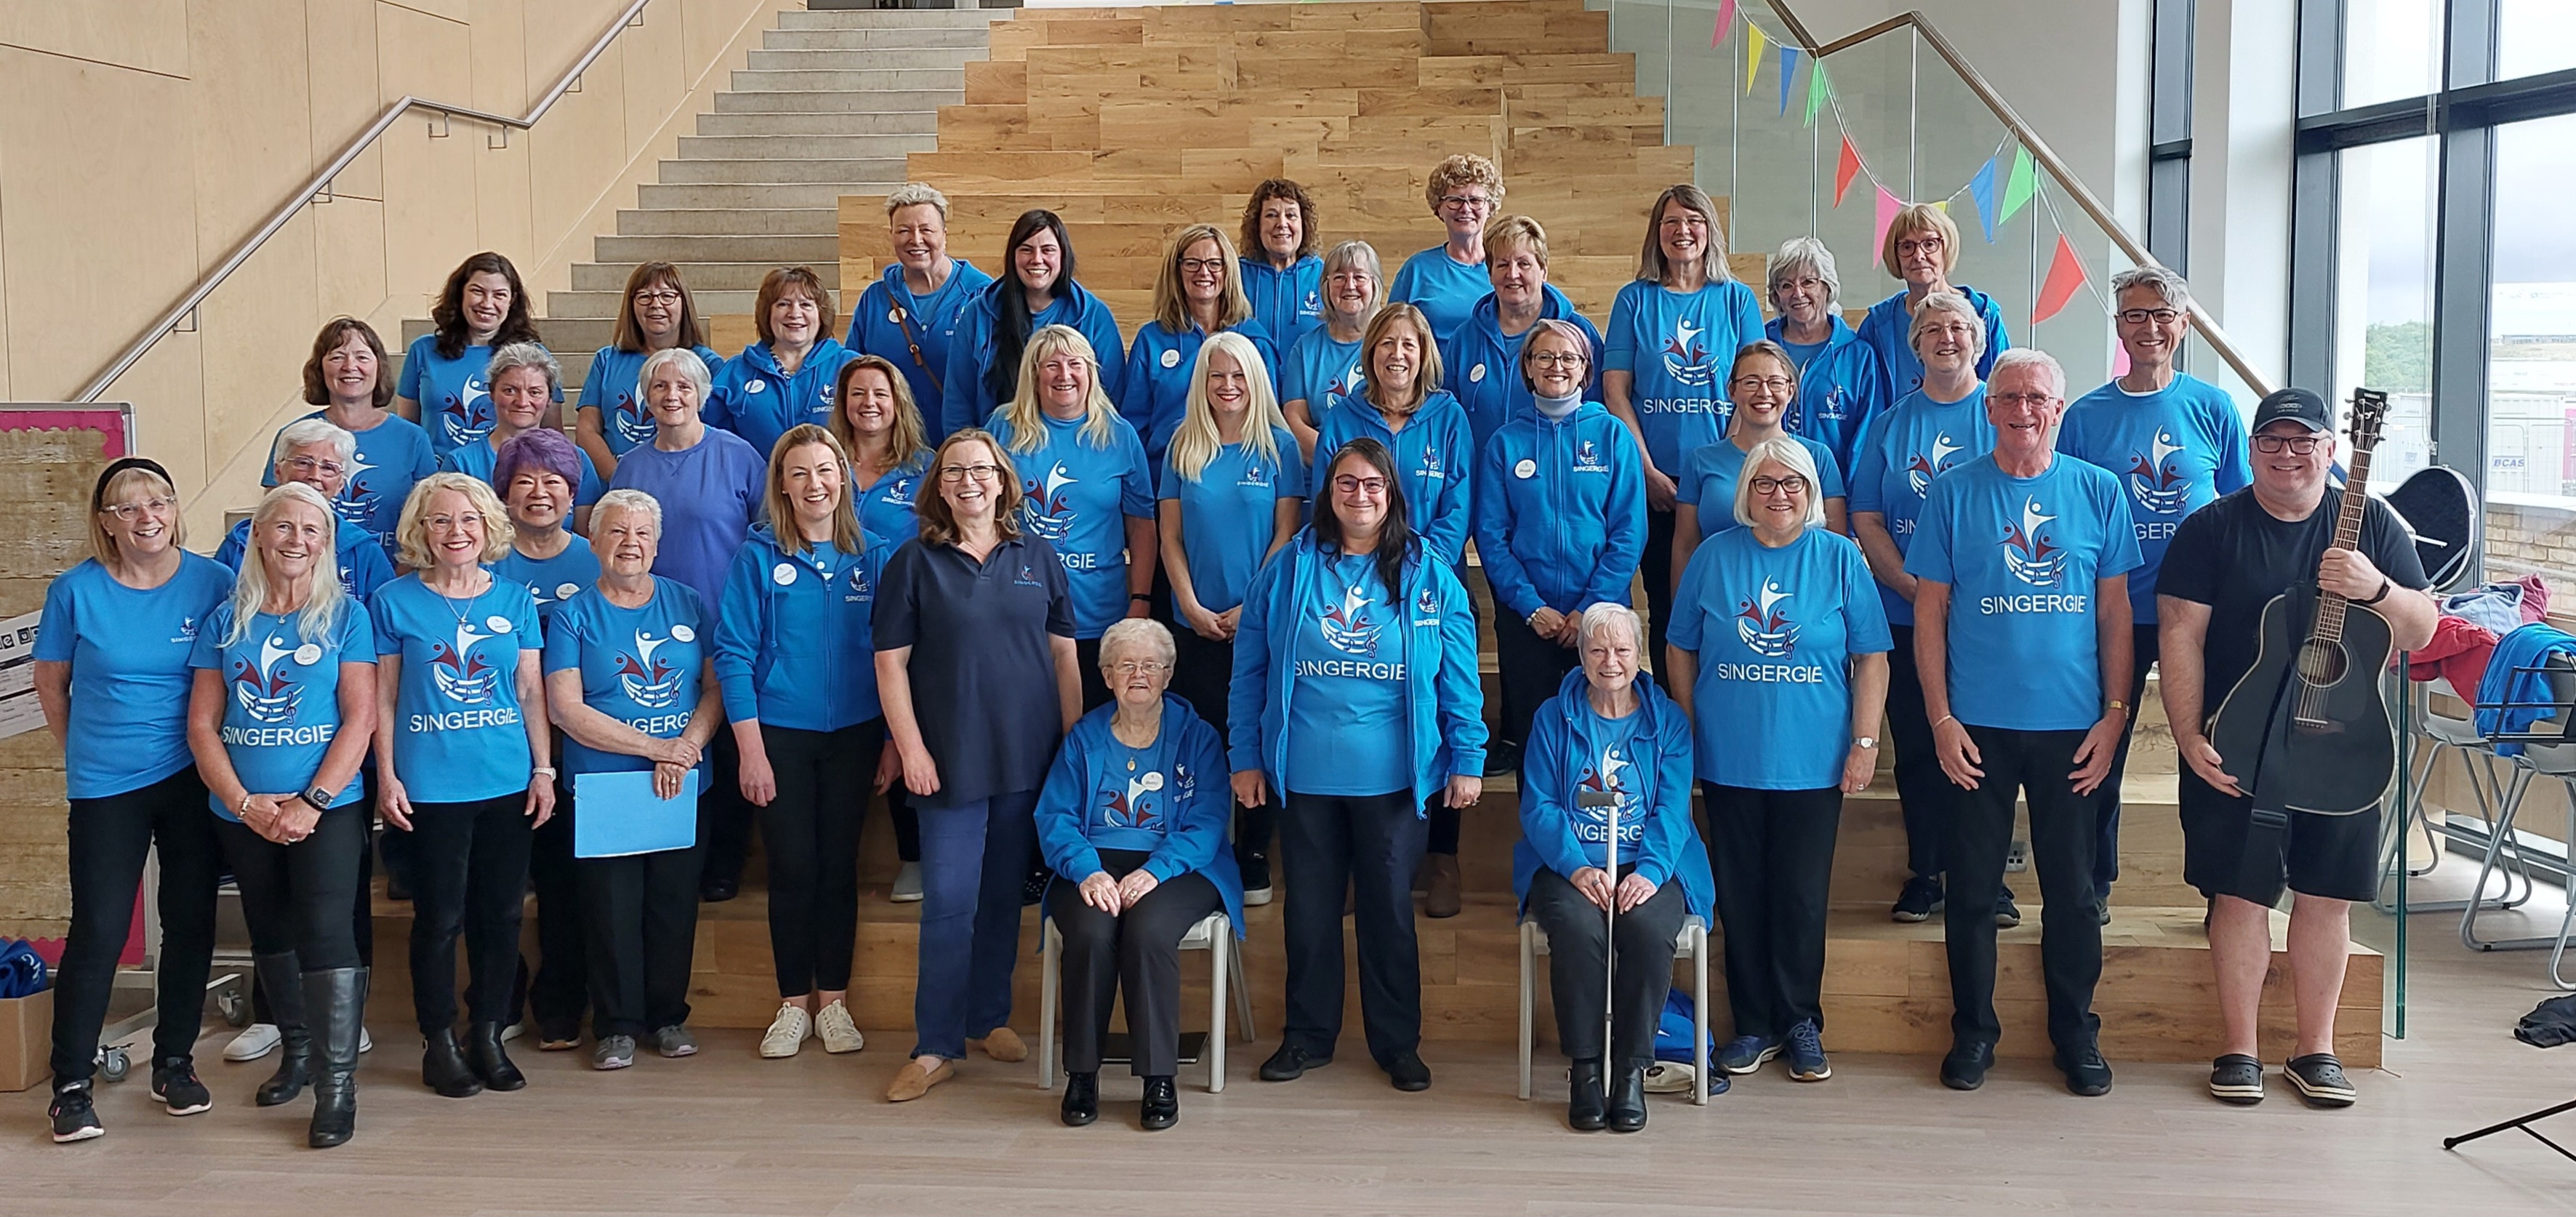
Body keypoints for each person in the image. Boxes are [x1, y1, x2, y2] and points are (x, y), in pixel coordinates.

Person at [2156, 387, 2433, 1109]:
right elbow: (2180, 635)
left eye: (2303, 441)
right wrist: (2186, 735)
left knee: (2326, 900)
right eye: (2272, 442)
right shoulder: (2211, 529)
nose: (2288, 455)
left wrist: (2378, 590)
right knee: (2239, 897)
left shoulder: (2373, 523)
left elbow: (2423, 628)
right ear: (2251, 451)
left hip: (2346, 746)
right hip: (2239, 743)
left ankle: (2317, 1051)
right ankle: (2239, 1050)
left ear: (2332, 450)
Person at [1906, 349, 2140, 1097]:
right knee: (1971, 891)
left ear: (2058, 410)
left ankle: (2076, 1034)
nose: (2023, 410)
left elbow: (2114, 612)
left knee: (2072, 894)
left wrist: (2115, 715)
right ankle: (1973, 1033)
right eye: (2008, 397)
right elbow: (1930, 612)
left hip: (2074, 729)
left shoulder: (2100, 492)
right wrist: (1939, 718)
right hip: (1976, 729)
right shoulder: (1951, 494)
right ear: (1990, 408)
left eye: (2038, 397)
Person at [1229, 438, 1486, 1093]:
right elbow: (1250, 669)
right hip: (1306, 773)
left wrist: (1467, 756)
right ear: (1328, 492)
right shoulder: (1289, 568)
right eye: (1347, 484)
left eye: (1373, 485)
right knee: (1308, 913)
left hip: (1394, 779)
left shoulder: (1428, 570)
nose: (1360, 496)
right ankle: (1307, 1037)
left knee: (1388, 914)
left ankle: (1397, 1044)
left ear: (1393, 494)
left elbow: (1459, 677)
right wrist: (1246, 755)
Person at [1666, 436, 1890, 1087]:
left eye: (1792, 483)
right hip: (1729, 757)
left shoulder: (1841, 559)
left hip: (1813, 759)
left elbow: (1872, 656)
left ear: (1811, 492)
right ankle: (1754, 1025)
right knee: (1739, 893)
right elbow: (1679, 646)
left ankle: (1800, 1022)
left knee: (1798, 895)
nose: (1779, 495)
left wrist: (1865, 741)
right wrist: (1686, 722)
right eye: (1764, 484)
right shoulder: (1713, 557)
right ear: (1745, 495)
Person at [875, 430, 1083, 1102]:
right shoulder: (913, 561)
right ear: (940, 485)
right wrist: (910, 748)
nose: (969, 481)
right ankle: (935, 1044)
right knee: (947, 906)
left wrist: (1074, 749)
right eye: (955, 471)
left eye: (982, 470)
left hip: (1027, 760)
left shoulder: (1038, 556)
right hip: (948, 762)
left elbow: (1064, 658)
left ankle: (986, 1018)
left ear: (1002, 481)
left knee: (1002, 899)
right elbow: (890, 665)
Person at [37, 459, 230, 1144]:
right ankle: (70, 1086)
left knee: (189, 921)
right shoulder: (75, 592)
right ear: (105, 522)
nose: (147, 517)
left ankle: (174, 1064)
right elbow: (53, 686)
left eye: (159, 502)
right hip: (104, 785)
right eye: (128, 508)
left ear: (176, 510)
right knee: (96, 932)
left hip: (189, 777)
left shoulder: (215, 582)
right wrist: (90, 750)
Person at [185, 483, 377, 1148]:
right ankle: (296, 1052)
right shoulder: (225, 621)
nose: (297, 540)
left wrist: (311, 802)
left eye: (312, 530)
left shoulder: (346, 616)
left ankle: (336, 1084)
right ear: (259, 536)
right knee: (269, 928)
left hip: (326, 809)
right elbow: (204, 725)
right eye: (284, 528)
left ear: (326, 543)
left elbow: (360, 718)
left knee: (326, 930)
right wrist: (243, 802)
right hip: (242, 810)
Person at [2056, 267, 2252, 920]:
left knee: (2211, 748)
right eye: (2134, 315)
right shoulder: (2083, 417)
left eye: (2161, 314)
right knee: (2099, 750)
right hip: (2115, 612)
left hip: (2201, 615)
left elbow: (2238, 506)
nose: (2149, 327)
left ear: (2183, 326)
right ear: (2118, 327)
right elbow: (2068, 513)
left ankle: (2219, 887)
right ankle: (2093, 880)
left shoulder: (2213, 407)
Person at [371, 473, 552, 1100]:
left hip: (505, 782)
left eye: (469, 520)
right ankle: (439, 1040)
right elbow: (384, 698)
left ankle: (489, 1033)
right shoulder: (393, 602)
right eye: (442, 520)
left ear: (488, 528)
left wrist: (544, 769)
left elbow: (531, 692)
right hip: (430, 786)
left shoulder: (515, 601)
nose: (456, 532)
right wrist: (387, 775)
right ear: (421, 529)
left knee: (500, 917)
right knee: (439, 918)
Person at [712, 425, 887, 1061]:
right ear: (781, 486)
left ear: (842, 478)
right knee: (792, 869)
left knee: (838, 868)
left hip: (855, 734)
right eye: (800, 474)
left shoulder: (876, 555)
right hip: (778, 735)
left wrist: (892, 742)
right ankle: (791, 1005)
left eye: (825, 471)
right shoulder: (756, 557)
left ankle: (833, 1002)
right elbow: (732, 655)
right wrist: (751, 751)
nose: (814, 485)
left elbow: (896, 658)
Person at [1037, 619, 1245, 1131]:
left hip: (1180, 865)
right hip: (1092, 863)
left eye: (1150, 665)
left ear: (1168, 674)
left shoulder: (1197, 736)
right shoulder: (1084, 736)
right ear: (1106, 675)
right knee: (1088, 930)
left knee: (1150, 929)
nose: (1138, 674)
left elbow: (1207, 820)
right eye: (1125, 665)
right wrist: (1087, 871)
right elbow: (1055, 817)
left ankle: (1158, 1078)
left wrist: (1156, 871)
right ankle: (1082, 1074)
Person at [544, 489, 724, 1071]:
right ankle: (617, 1025)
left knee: (673, 905)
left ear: (658, 542)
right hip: (604, 787)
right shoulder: (573, 613)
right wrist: (658, 749)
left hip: (682, 783)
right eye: (617, 532)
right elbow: (566, 709)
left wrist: (688, 748)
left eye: (642, 533)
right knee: (610, 909)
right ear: (593, 542)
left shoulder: (688, 603)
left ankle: (668, 1017)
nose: (630, 544)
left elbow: (715, 688)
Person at [1514, 604, 1710, 1133]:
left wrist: (1648, 872)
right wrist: (1577, 869)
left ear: (1637, 654)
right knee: (1578, 928)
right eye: (1598, 649)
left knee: (1646, 928)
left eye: (1622, 649)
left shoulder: (1665, 720)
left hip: (1650, 862)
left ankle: (1628, 1071)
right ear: (1581, 655)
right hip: (1569, 862)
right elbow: (1538, 806)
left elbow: (1672, 809)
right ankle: (1584, 1071)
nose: (1611, 661)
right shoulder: (1553, 718)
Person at [1846, 291, 2002, 925]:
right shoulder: (1889, 422)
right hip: (1906, 612)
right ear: (1914, 347)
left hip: (1990, 617)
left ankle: (1985, 878)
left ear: (1979, 339)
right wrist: (1917, 589)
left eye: (1958, 327)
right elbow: (1865, 516)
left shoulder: (2002, 413)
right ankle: (1927, 872)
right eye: (1931, 329)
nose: (1946, 337)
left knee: (1986, 747)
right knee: (1916, 747)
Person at [603, 346, 767, 903]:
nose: (671, 397)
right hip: (652, 629)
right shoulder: (631, 465)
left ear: (702, 394)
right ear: (644, 399)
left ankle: (722, 863)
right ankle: (664, 850)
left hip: (727, 623)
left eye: (683, 387)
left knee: (724, 744)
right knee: (666, 736)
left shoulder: (738, 455)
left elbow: (767, 535)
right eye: (659, 388)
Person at [1158, 332, 1303, 907]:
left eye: (1238, 375)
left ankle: (1253, 852)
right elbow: (1168, 537)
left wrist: (1253, 604)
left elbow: (1286, 532)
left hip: (1259, 621)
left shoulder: (1279, 447)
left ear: (1255, 380)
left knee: (1254, 736)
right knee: (1200, 738)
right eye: (1217, 376)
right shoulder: (1181, 445)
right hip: (1194, 623)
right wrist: (1190, 604)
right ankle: (1200, 847)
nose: (1227, 386)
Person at [1472, 319, 1645, 787]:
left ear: (1586, 368)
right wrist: (1532, 608)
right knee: (1536, 744)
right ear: (1527, 367)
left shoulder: (1611, 435)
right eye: (1544, 357)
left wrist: (1587, 610)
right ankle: (1546, 854)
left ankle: (1593, 847)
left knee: (1597, 747)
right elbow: (1491, 535)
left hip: (1600, 618)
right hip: (1528, 618)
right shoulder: (1505, 443)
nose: (1557, 366)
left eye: (1569, 357)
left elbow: (1629, 533)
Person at [1602, 184, 1765, 675]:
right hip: (1656, 485)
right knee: (1666, 604)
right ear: (1657, 233)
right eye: (1671, 222)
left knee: (1728, 598)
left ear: (1709, 231)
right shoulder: (1634, 300)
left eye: (1693, 221)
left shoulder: (1735, 300)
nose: (1682, 231)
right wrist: (1647, 471)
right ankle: (1676, 721)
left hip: (1724, 480)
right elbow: (1615, 391)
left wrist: (1723, 461)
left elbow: (1755, 385)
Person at [485, 427, 603, 1052]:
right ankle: (499, 999)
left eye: (553, 481)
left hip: (578, 756)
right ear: (503, 494)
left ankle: (561, 1005)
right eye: (524, 481)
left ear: (572, 492)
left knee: (565, 890)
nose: (538, 493)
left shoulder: (596, 557)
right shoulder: (483, 562)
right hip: (502, 756)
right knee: (500, 892)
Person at [987, 325, 1157, 708]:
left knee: (1094, 732)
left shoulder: (1119, 435)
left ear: (1090, 372)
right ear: (1033, 374)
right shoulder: (1003, 429)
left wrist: (1140, 599)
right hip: (1021, 613)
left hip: (1099, 613)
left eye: (1074, 364)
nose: (1064, 375)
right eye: (1051, 365)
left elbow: (1142, 525)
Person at [829, 353, 939, 902]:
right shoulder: (823, 461)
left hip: (909, 622)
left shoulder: (925, 467)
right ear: (842, 404)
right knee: (854, 734)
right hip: (834, 619)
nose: (869, 403)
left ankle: (914, 853)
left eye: (880, 393)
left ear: (898, 403)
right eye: (858, 394)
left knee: (910, 726)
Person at [1312, 303, 1474, 569]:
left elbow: (1459, 509)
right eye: (1387, 343)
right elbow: (1326, 505)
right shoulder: (1341, 420)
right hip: (1356, 578)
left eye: (1408, 345)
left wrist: (1423, 568)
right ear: (1371, 351)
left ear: (1423, 355)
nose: (1397, 354)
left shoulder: (1449, 418)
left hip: (1434, 576)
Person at [1670, 340, 1848, 581]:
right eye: (1751, 382)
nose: (1764, 393)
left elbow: (1836, 548)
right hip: (1719, 595)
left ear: (1791, 390)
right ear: (1732, 391)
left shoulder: (1817, 457)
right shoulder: (1702, 461)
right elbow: (1685, 547)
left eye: (1775, 383)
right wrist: (1682, 613)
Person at [943, 209, 1126, 438]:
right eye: (1026, 250)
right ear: (1013, 256)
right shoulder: (977, 315)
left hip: (1076, 452)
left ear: (1063, 256)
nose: (1037, 259)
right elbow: (958, 403)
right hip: (995, 456)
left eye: (1048, 250)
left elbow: (1112, 399)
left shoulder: (1093, 316)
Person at [267, 316, 436, 561]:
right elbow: (274, 515)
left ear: (378, 367)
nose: (349, 366)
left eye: (362, 357)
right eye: (337, 357)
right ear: (320, 368)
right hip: (306, 575)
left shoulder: (413, 438)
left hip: (391, 574)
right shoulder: (296, 436)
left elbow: (427, 519)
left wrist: (402, 573)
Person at [1121, 224, 1280, 470]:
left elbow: (1270, 423)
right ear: (1177, 271)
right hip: (1165, 474)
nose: (1203, 272)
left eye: (1214, 263)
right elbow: (1134, 427)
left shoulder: (1254, 341)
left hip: (1238, 476)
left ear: (1228, 272)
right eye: (1192, 263)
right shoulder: (1151, 340)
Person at [1443, 214, 1604, 457]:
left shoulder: (1578, 333)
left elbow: (1598, 411)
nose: (1513, 274)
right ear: (1490, 274)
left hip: (1554, 480)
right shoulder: (1464, 339)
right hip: (1481, 482)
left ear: (1543, 271)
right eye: (1502, 264)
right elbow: (1448, 418)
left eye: (1524, 264)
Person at [845, 184, 993, 435]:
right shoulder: (874, 300)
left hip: (963, 451)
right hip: (894, 454)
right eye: (904, 230)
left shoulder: (983, 295)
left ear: (945, 234)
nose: (916, 240)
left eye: (926, 230)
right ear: (891, 235)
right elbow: (851, 375)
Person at [217, 418, 395, 601]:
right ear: (277, 472)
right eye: (303, 463)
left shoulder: (364, 551)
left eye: (328, 468)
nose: (314, 476)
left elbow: (381, 621)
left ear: (341, 483)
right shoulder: (239, 545)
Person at [575, 261, 723, 479]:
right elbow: (587, 430)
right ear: (631, 305)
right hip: (617, 486)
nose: (656, 304)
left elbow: (715, 435)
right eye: (645, 296)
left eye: (667, 296)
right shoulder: (607, 360)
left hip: (685, 481)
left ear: (684, 304)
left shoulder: (709, 364)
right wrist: (622, 477)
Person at [396, 252, 549, 461]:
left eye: (499, 295)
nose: (487, 303)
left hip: (511, 477)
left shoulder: (533, 358)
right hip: (438, 478)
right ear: (461, 293)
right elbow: (407, 430)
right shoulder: (423, 350)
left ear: (512, 300)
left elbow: (551, 432)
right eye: (477, 291)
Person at [438, 343, 606, 534]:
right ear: (492, 393)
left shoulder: (578, 459)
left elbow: (586, 536)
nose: (522, 402)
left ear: (550, 398)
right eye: (510, 390)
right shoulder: (461, 464)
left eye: (535, 392)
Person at [1854, 204, 2011, 401]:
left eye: (1929, 244)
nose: (1918, 256)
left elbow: (2006, 390)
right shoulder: (1878, 325)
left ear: (1947, 249)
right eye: (1907, 246)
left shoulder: (1984, 314)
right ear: (1895, 256)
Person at [705, 267, 859, 460]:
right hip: (758, 489)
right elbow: (710, 444)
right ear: (767, 313)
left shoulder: (852, 367)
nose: (795, 313)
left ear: (821, 314)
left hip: (834, 489)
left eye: (806, 304)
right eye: (783, 304)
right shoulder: (736, 373)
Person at [1763, 238, 1887, 473]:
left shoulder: (1859, 357)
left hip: (1834, 496)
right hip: (1769, 492)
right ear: (1776, 296)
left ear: (1827, 288)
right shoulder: (1761, 347)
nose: (1798, 293)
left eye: (1808, 282)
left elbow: (1866, 442)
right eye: (1786, 285)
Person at [1280, 240, 1381, 463]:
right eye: (1339, 277)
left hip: (1384, 473)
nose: (1350, 285)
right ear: (1326, 287)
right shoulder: (1305, 348)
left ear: (1375, 285)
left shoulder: (1391, 343)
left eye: (1360, 277)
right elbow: (1295, 419)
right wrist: (1341, 462)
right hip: (1323, 471)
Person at [1389, 153, 1503, 343]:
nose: (1465, 209)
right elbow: (1390, 334)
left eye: (1475, 200)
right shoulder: (1417, 270)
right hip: (1433, 373)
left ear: (1490, 207)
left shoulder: (1506, 268)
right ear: (1439, 208)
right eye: (1455, 200)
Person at [1238, 178, 1325, 348]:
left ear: (1304, 224)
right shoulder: (1235, 275)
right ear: (1257, 224)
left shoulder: (1324, 276)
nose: (1282, 224)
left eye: (1291, 215)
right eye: (1272, 215)